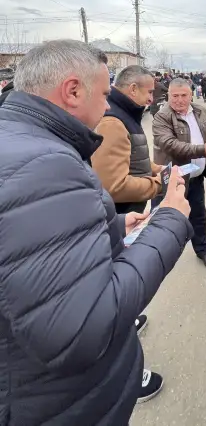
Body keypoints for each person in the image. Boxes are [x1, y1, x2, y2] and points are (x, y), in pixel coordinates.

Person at [0, 40, 193, 425]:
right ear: (72, 90)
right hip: (55, 402)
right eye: (104, 94)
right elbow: (81, 330)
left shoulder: (23, 142)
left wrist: (114, 226)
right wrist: (170, 218)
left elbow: (32, 249)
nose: (107, 106)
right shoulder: (46, 164)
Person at [152, 77, 206, 270]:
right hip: (171, 179)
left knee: (199, 216)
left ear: (191, 94)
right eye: (174, 96)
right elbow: (170, 144)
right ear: (167, 95)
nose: (178, 100)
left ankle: (202, 250)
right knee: (164, 219)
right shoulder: (162, 116)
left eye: (183, 95)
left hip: (195, 178)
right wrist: (202, 151)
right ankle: (157, 258)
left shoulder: (200, 111)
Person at [91, 65, 162, 214]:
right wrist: (158, 183)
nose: (151, 99)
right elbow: (114, 186)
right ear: (133, 89)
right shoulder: (113, 122)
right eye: (149, 92)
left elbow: (130, 154)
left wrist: (156, 169)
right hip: (120, 216)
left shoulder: (125, 114)